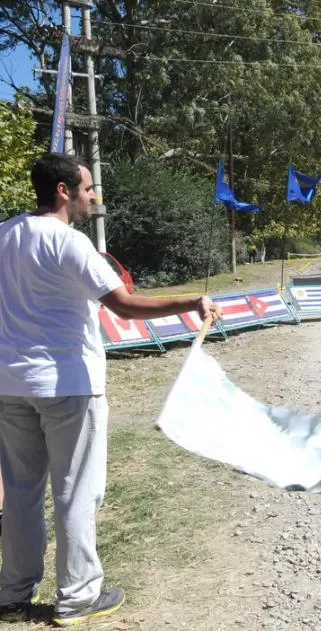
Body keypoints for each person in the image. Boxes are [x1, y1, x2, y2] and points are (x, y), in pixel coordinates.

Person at [0, 153, 222, 626]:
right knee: (77, 491)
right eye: (87, 187)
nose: (93, 195)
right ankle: (78, 596)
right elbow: (123, 306)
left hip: (10, 384)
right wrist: (191, 300)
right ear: (63, 191)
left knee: (20, 492)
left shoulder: (3, 234)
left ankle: (12, 593)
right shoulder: (70, 243)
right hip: (67, 385)